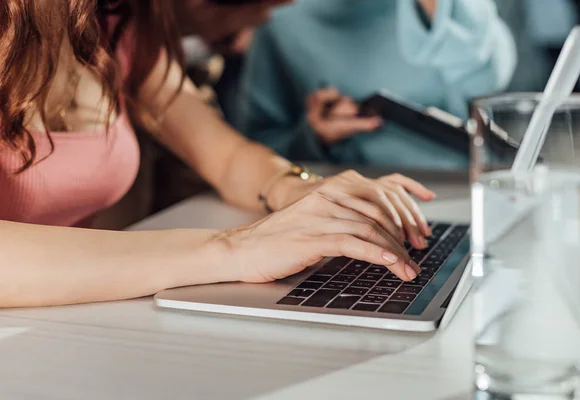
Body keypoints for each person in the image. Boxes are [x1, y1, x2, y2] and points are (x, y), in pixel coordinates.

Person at [0, 0, 436, 308]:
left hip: (65, 322)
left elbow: (224, 156)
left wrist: (304, 191)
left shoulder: (115, 24)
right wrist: (234, 248)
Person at [239, 0, 517, 169]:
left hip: (455, 187)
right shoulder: (274, 16)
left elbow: (489, 78)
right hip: (337, 201)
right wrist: (314, 137)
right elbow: (255, 148)